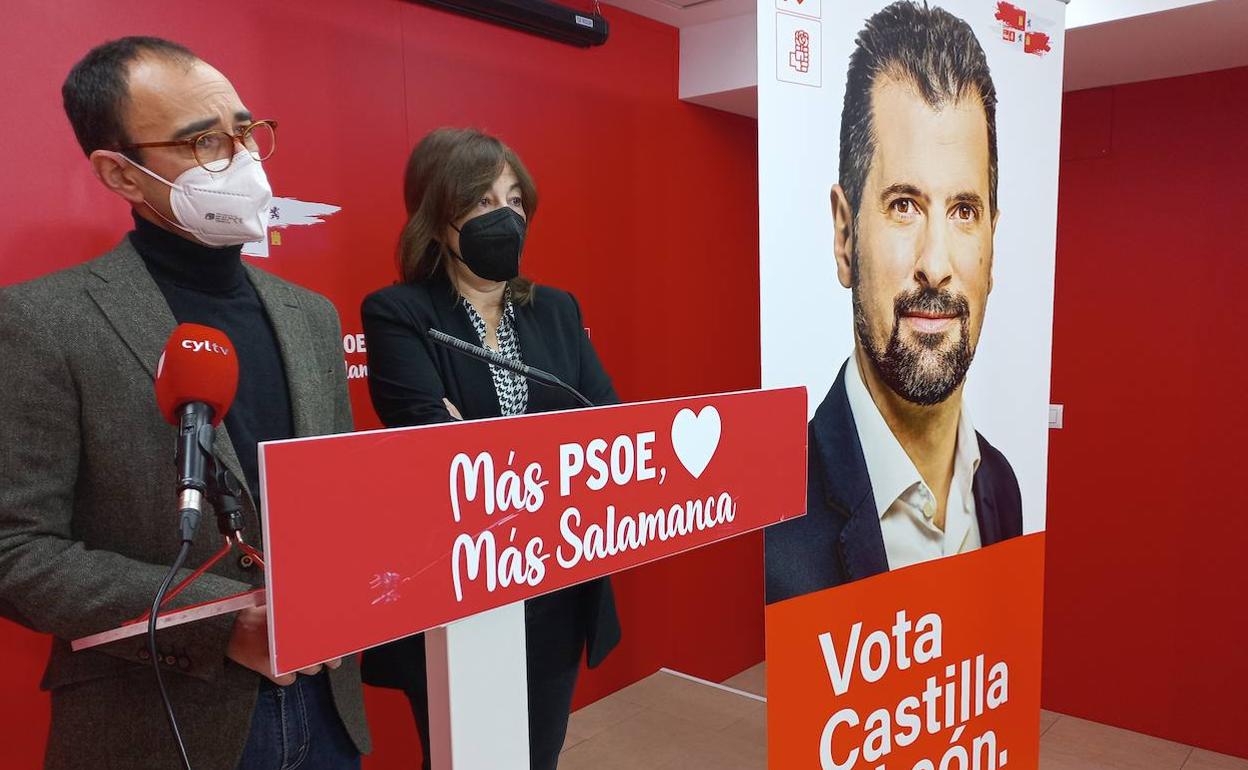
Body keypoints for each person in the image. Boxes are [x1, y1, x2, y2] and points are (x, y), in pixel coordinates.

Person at [0, 37, 369, 768]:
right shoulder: (43, 322)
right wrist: (220, 625)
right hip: (160, 718)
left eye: (245, 131)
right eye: (205, 142)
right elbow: (16, 552)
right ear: (120, 174)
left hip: (326, 704)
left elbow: (345, 493)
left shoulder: (312, 316)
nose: (243, 159)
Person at [359, 127, 621, 770]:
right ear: (437, 217)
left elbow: (608, 424)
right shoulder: (399, 313)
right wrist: (555, 446)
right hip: (455, 586)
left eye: (513, 200)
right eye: (480, 203)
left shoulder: (557, 310)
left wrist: (487, 437)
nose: (504, 216)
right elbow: (434, 443)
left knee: (538, 756)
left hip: (555, 580)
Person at [765, 1, 1023, 604]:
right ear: (845, 235)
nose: (936, 263)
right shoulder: (776, 533)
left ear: (992, 239)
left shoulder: (1002, 487)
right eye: (904, 205)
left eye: (964, 212)